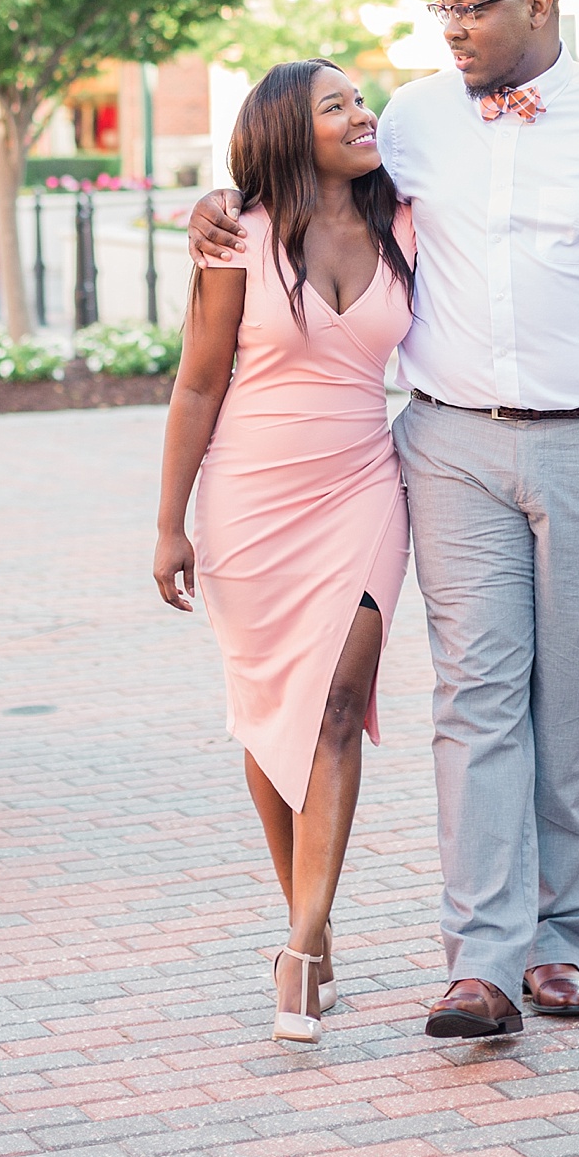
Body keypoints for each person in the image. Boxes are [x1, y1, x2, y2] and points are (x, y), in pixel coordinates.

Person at [192, 0, 579, 1040]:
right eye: (440, 8)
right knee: (474, 695)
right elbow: (304, 163)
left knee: (567, 701)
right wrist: (221, 199)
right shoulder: (409, 114)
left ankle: (556, 941)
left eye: (473, 7)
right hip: (446, 445)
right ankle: (479, 962)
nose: (451, 27)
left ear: (538, 5)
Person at [152, 59, 416, 1046]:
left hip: (361, 491)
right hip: (250, 505)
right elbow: (193, 386)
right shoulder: (237, 241)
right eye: (336, 105)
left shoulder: (407, 224)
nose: (362, 114)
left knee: (337, 707)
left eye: (361, 99)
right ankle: (313, 922)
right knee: (274, 718)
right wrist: (168, 520)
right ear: (283, 132)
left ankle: (301, 947)